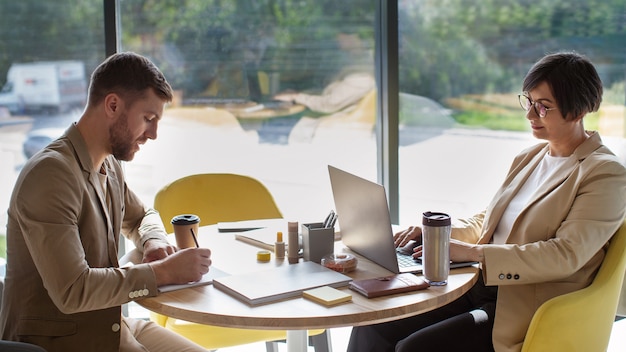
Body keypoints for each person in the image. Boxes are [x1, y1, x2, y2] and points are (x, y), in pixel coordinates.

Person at [347, 51, 626, 352]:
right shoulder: (530, 157)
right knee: (373, 325)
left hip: (528, 304)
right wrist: (439, 236)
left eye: (543, 107)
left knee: (415, 348)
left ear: (579, 110)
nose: (530, 115)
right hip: (479, 286)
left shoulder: (604, 174)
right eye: (529, 102)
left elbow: (565, 254)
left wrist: (472, 252)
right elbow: (489, 219)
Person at [0, 52, 211, 352]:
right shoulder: (51, 175)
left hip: (111, 326)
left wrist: (153, 241)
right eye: (148, 119)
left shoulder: (108, 164)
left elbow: (142, 217)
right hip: (63, 342)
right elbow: (73, 290)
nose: (153, 134)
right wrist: (163, 272)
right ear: (112, 105)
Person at [273, 32, 375, 114]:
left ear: (353, 37)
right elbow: (330, 92)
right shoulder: (356, 66)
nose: (338, 43)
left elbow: (329, 104)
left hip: (329, 126)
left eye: (340, 38)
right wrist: (299, 95)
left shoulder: (363, 74)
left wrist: (297, 97)